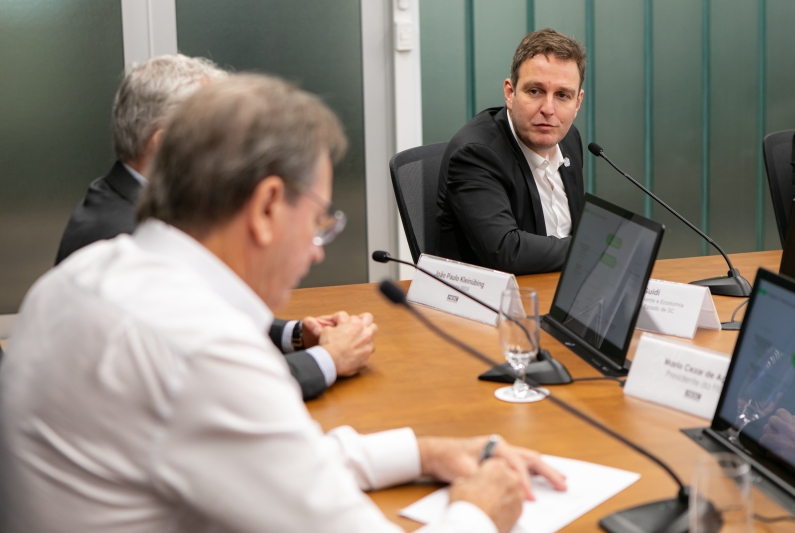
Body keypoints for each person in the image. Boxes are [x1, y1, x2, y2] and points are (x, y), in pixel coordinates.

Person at [0, 74, 566, 533]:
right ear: (268, 207)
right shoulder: (201, 347)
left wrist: (422, 452)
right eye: (319, 219)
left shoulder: (81, 277)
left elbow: (265, 458)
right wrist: (479, 509)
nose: (317, 253)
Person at [54, 54, 370, 401]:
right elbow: (226, 385)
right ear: (165, 148)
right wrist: (327, 358)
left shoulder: (126, 202)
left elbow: (208, 317)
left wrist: (295, 335)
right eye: (218, 138)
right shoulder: (124, 235)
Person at [436, 28, 586, 275]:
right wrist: (590, 250)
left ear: (577, 102)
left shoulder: (569, 138)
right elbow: (507, 251)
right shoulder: (475, 155)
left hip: (557, 287)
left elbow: (573, 231)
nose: (548, 109)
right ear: (510, 92)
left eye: (562, 95)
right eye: (535, 91)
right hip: (490, 302)